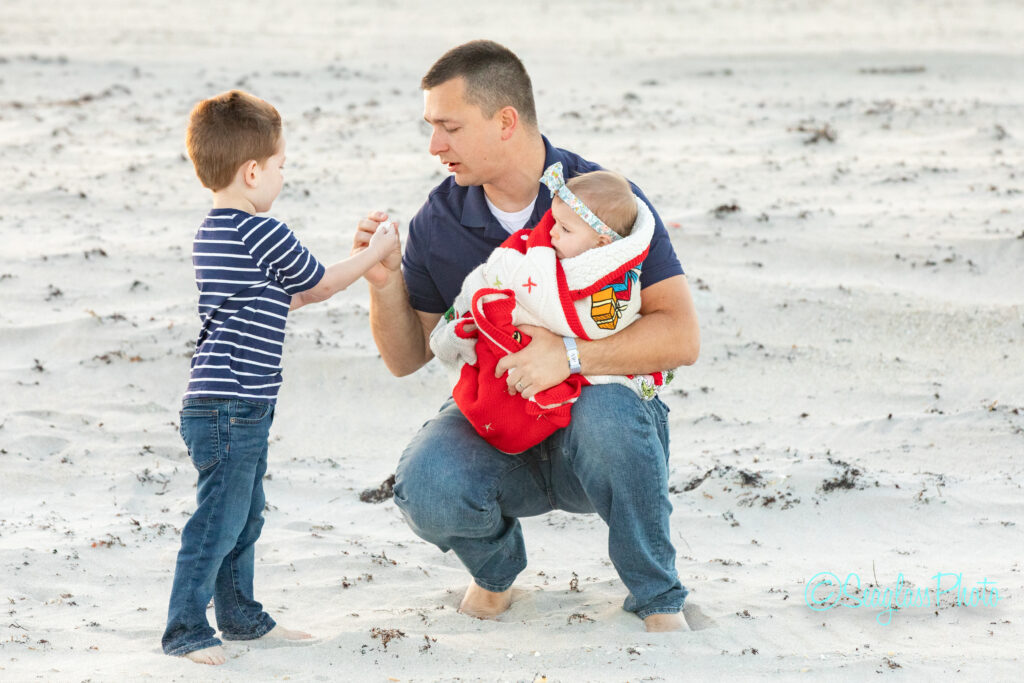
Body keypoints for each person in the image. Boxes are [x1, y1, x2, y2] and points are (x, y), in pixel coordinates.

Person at [352, 40, 700, 632]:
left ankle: (657, 596)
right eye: (431, 128)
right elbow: (407, 359)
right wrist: (382, 284)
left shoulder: (602, 199)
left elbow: (681, 335)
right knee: (426, 484)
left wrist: (567, 355)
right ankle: (495, 575)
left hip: (600, 424)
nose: (435, 145)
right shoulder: (437, 221)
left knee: (611, 417)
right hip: (499, 417)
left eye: (450, 127)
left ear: (505, 121)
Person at [163, 89, 397, 665]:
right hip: (233, 404)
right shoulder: (263, 232)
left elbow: (274, 301)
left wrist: (349, 264)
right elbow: (313, 285)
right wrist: (374, 254)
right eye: (280, 167)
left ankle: (240, 615)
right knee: (218, 521)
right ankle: (185, 629)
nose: (281, 178)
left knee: (242, 512)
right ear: (251, 173)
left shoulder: (211, 233)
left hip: (226, 402)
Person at [429, 162, 673, 454]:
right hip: (516, 368)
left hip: (582, 387)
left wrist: (564, 352)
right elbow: (508, 271)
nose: (552, 234)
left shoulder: (614, 283)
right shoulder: (546, 247)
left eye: (565, 229)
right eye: (554, 222)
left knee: (608, 422)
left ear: (601, 242)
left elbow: (602, 324)